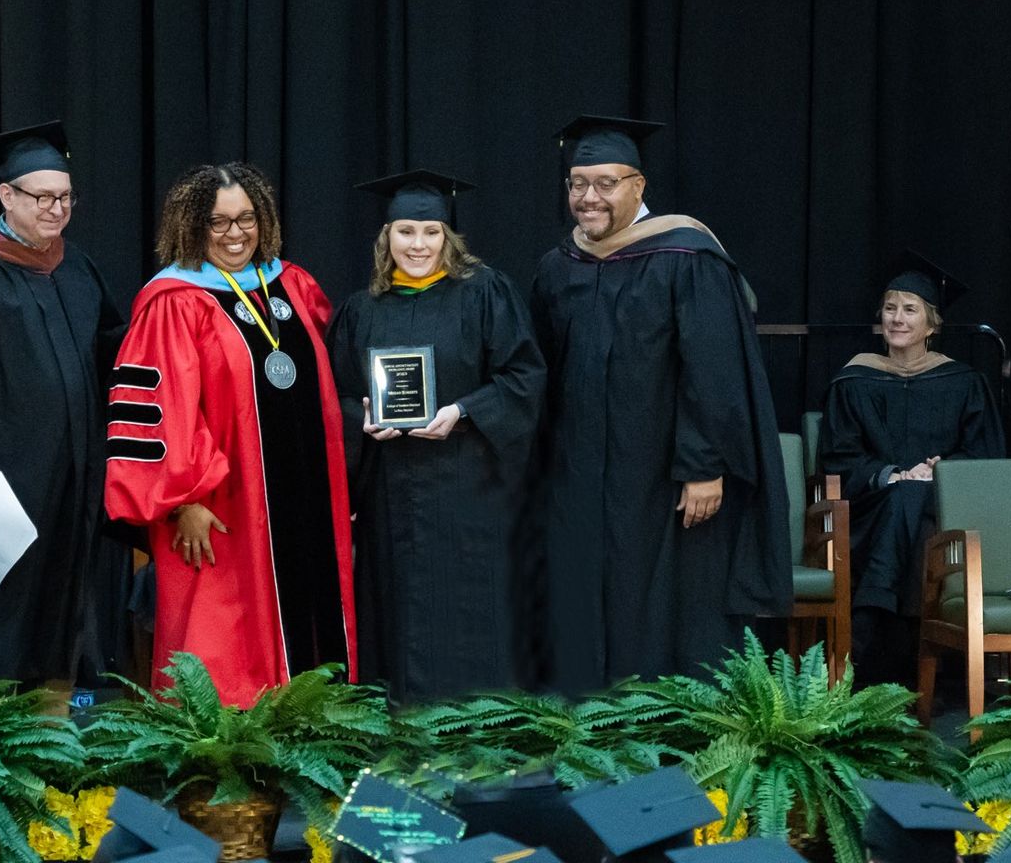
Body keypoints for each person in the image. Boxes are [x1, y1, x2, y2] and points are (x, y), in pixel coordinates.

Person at [530, 114, 790, 696]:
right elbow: (539, 371)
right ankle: (587, 712)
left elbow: (713, 371)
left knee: (670, 595)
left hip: (665, 473)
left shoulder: (687, 256)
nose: (588, 197)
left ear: (638, 186)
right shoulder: (558, 267)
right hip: (580, 472)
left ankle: (674, 721)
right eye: (577, 184)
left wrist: (703, 467)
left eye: (605, 183)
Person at [103, 162, 356, 706]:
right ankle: (225, 770)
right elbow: (159, 410)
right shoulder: (173, 302)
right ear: (192, 227)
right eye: (218, 223)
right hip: (221, 510)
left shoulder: (292, 284)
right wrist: (183, 503)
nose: (235, 233)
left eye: (246, 219)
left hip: (304, 503)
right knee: (223, 652)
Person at [0, 120, 127, 687]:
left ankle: (66, 721)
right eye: (42, 197)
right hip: (4, 475)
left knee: (71, 589)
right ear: (6, 195)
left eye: (65, 197)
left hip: (80, 467)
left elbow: (116, 345)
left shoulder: (77, 267)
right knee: (6, 598)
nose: (56, 209)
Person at [327, 168, 544, 701]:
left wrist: (464, 411)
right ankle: (399, 717)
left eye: (431, 233)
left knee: (468, 597)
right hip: (392, 490)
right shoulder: (362, 309)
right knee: (398, 600)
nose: (418, 245)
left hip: (470, 483)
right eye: (405, 232)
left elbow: (524, 377)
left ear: (449, 237)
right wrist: (363, 419)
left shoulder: (486, 294)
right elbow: (336, 396)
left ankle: (475, 720)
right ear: (386, 237)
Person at [818, 253, 1004, 685]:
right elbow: (836, 459)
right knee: (904, 499)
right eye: (889, 308)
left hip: (944, 516)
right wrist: (891, 476)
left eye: (909, 309)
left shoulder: (964, 382)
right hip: (867, 511)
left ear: (932, 325)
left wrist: (943, 473)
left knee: (914, 503)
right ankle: (926, 679)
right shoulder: (853, 380)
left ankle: (864, 635)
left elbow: (986, 458)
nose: (897, 319)